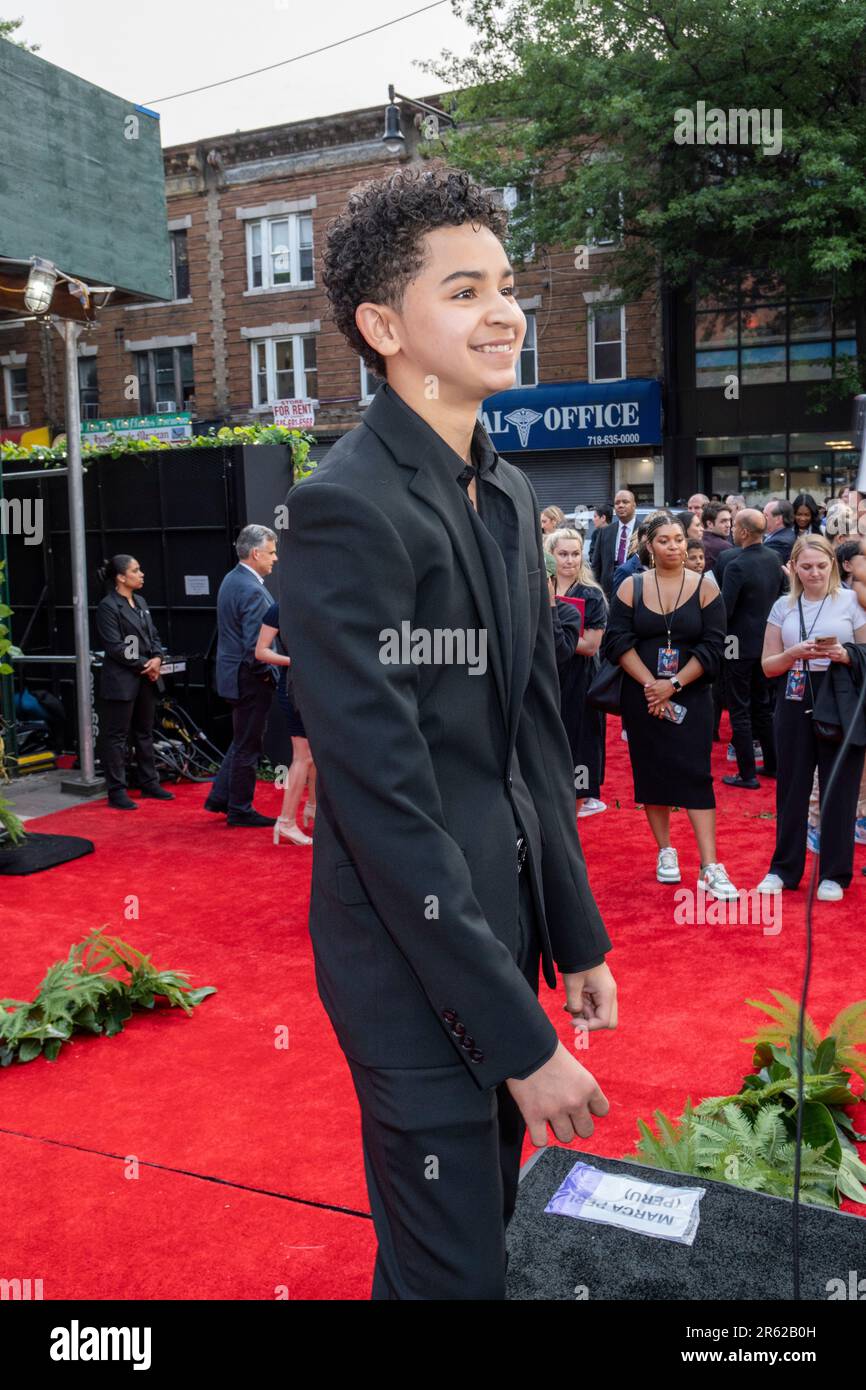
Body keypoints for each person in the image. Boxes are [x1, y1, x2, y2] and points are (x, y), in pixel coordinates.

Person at [279, 164, 616, 1301]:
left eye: (505, 285)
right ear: (383, 326)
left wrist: (573, 935)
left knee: (463, 1252)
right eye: (463, 290)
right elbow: (382, 802)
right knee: (457, 1270)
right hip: (408, 968)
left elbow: (533, 734)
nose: (504, 310)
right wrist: (518, 1039)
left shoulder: (511, 493)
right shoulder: (342, 508)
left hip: (502, 938)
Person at [603, 511, 737, 899]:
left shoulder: (706, 589)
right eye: (665, 540)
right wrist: (652, 686)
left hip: (691, 696)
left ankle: (710, 865)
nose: (674, 546)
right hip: (642, 697)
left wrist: (674, 684)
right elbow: (616, 642)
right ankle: (666, 851)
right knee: (652, 775)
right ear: (649, 545)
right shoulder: (631, 586)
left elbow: (714, 647)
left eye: (679, 539)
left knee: (697, 775)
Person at [757, 534, 866, 902]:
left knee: (840, 785)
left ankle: (835, 873)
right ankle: (784, 869)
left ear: (833, 565)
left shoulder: (852, 601)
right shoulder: (782, 606)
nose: (814, 572)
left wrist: (845, 654)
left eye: (821, 565)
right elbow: (768, 666)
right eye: (806, 566)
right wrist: (792, 654)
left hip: (840, 695)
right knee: (791, 786)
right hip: (794, 692)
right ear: (794, 568)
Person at [205, 524, 279, 828]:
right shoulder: (250, 589)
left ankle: (220, 797)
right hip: (249, 678)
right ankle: (240, 808)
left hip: (233, 675)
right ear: (256, 553)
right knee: (249, 745)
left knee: (241, 740)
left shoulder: (232, 579)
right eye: (272, 552)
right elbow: (255, 647)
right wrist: (268, 674)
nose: (276, 558)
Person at [94, 555, 175, 810]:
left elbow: (154, 636)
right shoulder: (108, 607)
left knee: (144, 732)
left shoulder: (140, 601)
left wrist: (158, 659)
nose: (141, 574)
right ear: (120, 577)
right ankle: (116, 790)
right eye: (135, 570)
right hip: (122, 680)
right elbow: (115, 646)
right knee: (117, 736)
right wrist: (145, 665)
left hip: (145, 679)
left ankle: (149, 782)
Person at [719, 508, 784, 790]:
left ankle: (747, 774)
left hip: (738, 646)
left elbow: (726, 609)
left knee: (739, 708)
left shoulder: (736, 564)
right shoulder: (774, 558)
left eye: (734, 526)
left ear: (744, 532)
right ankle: (772, 764)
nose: (732, 530)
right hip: (767, 644)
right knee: (763, 706)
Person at [545, 528, 607, 817]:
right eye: (563, 554)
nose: (570, 560)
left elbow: (592, 646)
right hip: (546, 676)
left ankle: (575, 810)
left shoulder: (591, 595)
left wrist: (555, 636)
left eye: (575, 553)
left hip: (579, 680)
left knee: (580, 743)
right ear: (550, 555)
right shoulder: (539, 588)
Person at [254, 602, 316, 847]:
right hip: (294, 688)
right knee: (304, 756)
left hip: (315, 689)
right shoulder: (280, 608)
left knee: (315, 754)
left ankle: (312, 808)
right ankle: (286, 822)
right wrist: (295, 661)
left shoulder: (316, 603)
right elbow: (261, 651)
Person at [593, 488, 637, 598]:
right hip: (608, 592)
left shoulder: (643, 531)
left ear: (634, 505)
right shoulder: (605, 531)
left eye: (625, 502)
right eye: (617, 503)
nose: (620, 505)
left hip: (636, 589)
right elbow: (596, 564)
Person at [699, 502, 733, 573]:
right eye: (723, 521)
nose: (729, 525)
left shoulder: (699, 540)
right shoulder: (723, 546)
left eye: (729, 520)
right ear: (709, 524)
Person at [762, 499, 796, 563]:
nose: (761, 517)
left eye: (766, 515)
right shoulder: (784, 534)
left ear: (778, 519)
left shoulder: (779, 542)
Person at [588, 502, 613, 570]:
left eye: (595, 516)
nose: (593, 519)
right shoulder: (596, 533)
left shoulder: (617, 532)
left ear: (603, 518)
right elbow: (591, 554)